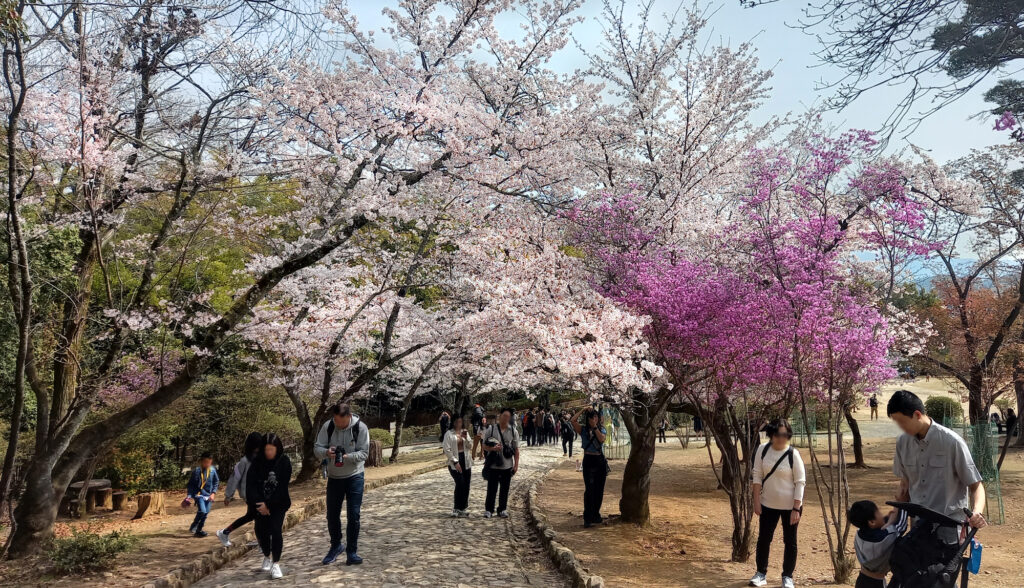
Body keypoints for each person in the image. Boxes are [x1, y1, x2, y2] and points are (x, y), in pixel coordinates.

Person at [888, 390, 986, 528]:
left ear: (917, 415)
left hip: (949, 525)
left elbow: (976, 485)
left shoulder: (952, 442)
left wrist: (977, 512)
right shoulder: (902, 442)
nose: (901, 427)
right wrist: (893, 519)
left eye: (902, 422)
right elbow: (905, 484)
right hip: (918, 525)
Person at [749, 419, 806, 588]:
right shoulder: (762, 450)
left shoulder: (793, 454)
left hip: (790, 507)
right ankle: (761, 573)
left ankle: (787, 576)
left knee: (790, 541)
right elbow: (757, 476)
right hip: (768, 504)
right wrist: (756, 501)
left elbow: (800, 482)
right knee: (764, 539)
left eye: (785, 434)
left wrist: (796, 508)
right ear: (771, 434)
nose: (782, 438)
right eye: (778, 434)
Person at [315, 402, 370, 566]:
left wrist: (348, 456)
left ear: (349, 416)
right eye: (336, 421)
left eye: (342, 422)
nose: (338, 424)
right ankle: (336, 546)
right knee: (332, 515)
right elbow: (317, 448)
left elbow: (364, 453)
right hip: (334, 477)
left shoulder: (360, 428)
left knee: (353, 515)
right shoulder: (328, 426)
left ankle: (352, 551)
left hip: (355, 476)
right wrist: (326, 452)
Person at [246, 433, 292, 580]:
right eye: (266, 449)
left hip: (278, 503)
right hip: (260, 504)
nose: (269, 452)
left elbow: (282, 486)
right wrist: (260, 504)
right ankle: (267, 555)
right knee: (261, 532)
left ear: (277, 448)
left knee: (276, 529)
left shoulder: (284, 462)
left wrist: (270, 505)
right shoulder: (256, 463)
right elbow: (251, 486)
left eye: (271, 449)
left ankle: (276, 563)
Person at [217, 432, 264, 547]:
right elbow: (235, 478)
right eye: (256, 446)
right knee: (258, 516)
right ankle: (261, 542)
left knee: (253, 516)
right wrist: (228, 495)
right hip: (249, 494)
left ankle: (225, 532)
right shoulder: (243, 462)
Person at [848, 500, 909, 588]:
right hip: (876, 584)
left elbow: (880, 528)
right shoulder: (885, 538)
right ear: (872, 522)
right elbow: (901, 524)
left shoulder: (859, 534)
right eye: (879, 512)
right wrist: (902, 501)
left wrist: (889, 520)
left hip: (862, 580)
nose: (882, 515)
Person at [479, 407, 520, 518]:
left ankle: (502, 509)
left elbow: (516, 449)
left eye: (508, 417)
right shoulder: (491, 429)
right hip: (493, 464)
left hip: (507, 465)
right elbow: (484, 445)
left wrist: (516, 465)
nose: (505, 418)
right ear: (500, 416)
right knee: (491, 489)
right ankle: (489, 510)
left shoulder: (513, 431)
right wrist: (492, 448)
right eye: (504, 416)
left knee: (505, 489)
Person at [571, 406, 608, 528]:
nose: (594, 419)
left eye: (596, 416)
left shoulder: (602, 429)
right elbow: (573, 420)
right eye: (592, 417)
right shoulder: (583, 430)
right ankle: (587, 517)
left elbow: (601, 439)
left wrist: (595, 427)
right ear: (587, 419)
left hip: (599, 460)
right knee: (589, 489)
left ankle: (596, 515)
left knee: (599, 490)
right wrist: (583, 410)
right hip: (588, 460)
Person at [443, 415, 474, 517]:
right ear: (453, 422)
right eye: (456, 422)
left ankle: (463, 508)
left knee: (466, 484)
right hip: (454, 461)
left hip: (466, 460)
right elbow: (447, 449)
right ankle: (456, 508)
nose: (458, 424)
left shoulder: (465, 432)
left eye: (460, 422)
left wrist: (466, 439)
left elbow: (470, 446)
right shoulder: (449, 434)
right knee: (460, 483)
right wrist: (455, 462)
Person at [184, 451, 219, 538]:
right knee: (202, 511)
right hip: (199, 495)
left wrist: (213, 493)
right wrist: (189, 496)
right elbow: (191, 485)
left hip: (209, 496)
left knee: (206, 513)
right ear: (201, 461)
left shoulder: (212, 470)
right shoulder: (196, 471)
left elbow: (216, 482)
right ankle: (194, 526)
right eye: (205, 462)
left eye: (209, 462)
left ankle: (199, 530)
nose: (207, 464)